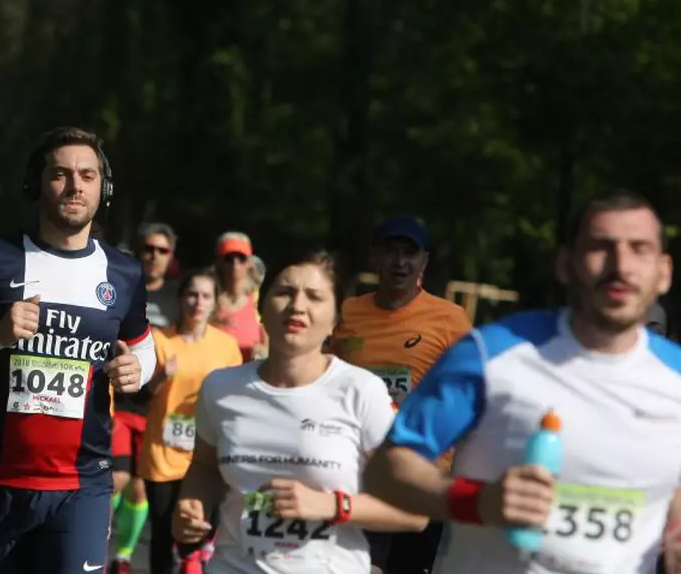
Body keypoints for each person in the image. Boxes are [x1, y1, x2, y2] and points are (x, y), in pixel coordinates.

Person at [363, 189, 681, 574]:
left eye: (639, 249)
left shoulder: (674, 378)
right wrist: (477, 502)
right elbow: (386, 470)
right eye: (601, 246)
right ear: (565, 264)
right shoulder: (490, 354)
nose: (621, 264)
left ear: (664, 272)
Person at [0, 127, 157, 573]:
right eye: (60, 173)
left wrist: (135, 371)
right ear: (36, 184)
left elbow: (144, 347)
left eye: (87, 175)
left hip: (83, 485)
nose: (74, 185)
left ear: (103, 189)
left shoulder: (123, 272)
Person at [172, 248, 428, 573]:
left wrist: (332, 505)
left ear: (336, 319)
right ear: (262, 307)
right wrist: (192, 503)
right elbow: (205, 466)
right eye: (284, 292)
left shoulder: (362, 392)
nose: (298, 306)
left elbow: (416, 510)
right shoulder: (221, 388)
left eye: (315, 297)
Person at [330, 216, 472, 573]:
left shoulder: (449, 319)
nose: (399, 262)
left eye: (409, 253)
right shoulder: (348, 313)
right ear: (374, 258)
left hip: (422, 473)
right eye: (390, 252)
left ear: (423, 262)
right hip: (359, 469)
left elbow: (471, 389)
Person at [135, 268, 241, 574]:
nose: (198, 301)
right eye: (192, 294)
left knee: (202, 532)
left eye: (206, 295)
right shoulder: (160, 340)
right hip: (163, 453)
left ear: (214, 303)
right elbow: (140, 397)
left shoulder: (226, 347)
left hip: (206, 454)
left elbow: (234, 401)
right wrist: (159, 378)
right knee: (163, 534)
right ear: (181, 298)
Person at [111, 222, 182, 572]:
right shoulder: (123, 286)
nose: (154, 256)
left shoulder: (176, 297)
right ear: (138, 254)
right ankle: (87, 544)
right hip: (117, 401)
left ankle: (121, 557)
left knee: (139, 490)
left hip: (157, 409)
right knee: (116, 480)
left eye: (162, 251)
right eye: (148, 249)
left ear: (171, 258)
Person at [212, 232, 267, 362]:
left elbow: (269, 344)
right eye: (229, 259)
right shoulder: (207, 298)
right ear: (220, 263)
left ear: (248, 263)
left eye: (241, 258)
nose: (235, 265)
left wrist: (262, 351)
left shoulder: (259, 299)